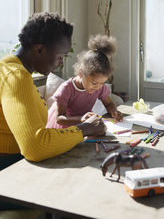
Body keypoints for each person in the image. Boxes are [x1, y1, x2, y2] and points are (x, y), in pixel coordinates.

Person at [0, 12, 106, 170]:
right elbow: (35, 146)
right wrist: (86, 128)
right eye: (60, 56)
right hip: (9, 167)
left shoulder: (12, 68)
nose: (61, 62)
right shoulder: (16, 76)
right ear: (39, 49)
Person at [46, 34, 123, 129]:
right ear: (81, 73)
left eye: (102, 83)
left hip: (82, 125)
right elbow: (59, 118)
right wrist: (81, 118)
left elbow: (108, 104)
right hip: (63, 128)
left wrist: (113, 111)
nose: (98, 87)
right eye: (94, 83)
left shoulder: (99, 87)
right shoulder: (66, 88)